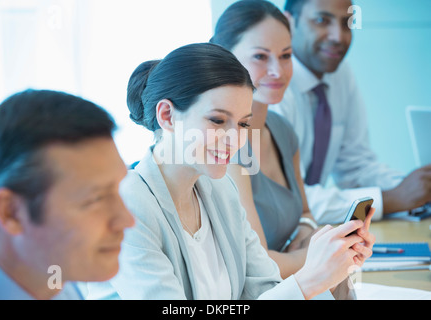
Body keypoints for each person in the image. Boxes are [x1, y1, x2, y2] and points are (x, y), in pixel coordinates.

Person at [86, 42, 373, 300]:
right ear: (167, 116)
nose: (235, 140)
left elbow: (265, 291)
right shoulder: (128, 208)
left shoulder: (220, 191)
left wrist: (333, 273)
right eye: (217, 120)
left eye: (243, 124)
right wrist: (309, 279)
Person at [210, 0, 374, 279]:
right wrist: (323, 252)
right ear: (226, 57)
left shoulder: (282, 130)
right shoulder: (226, 145)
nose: (278, 71)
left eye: (285, 55)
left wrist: (309, 235)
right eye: (260, 57)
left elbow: (305, 213)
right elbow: (258, 268)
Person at [270, 0, 431, 224]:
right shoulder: (272, 86)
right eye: (321, 20)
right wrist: (390, 198)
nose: (338, 36)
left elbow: (356, 167)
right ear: (289, 23)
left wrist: (418, 188)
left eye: (347, 23)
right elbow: (288, 200)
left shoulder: (340, 74)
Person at [0, 89, 135, 300]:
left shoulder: (57, 281)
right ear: (11, 212)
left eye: (118, 190)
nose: (127, 221)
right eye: (95, 199)